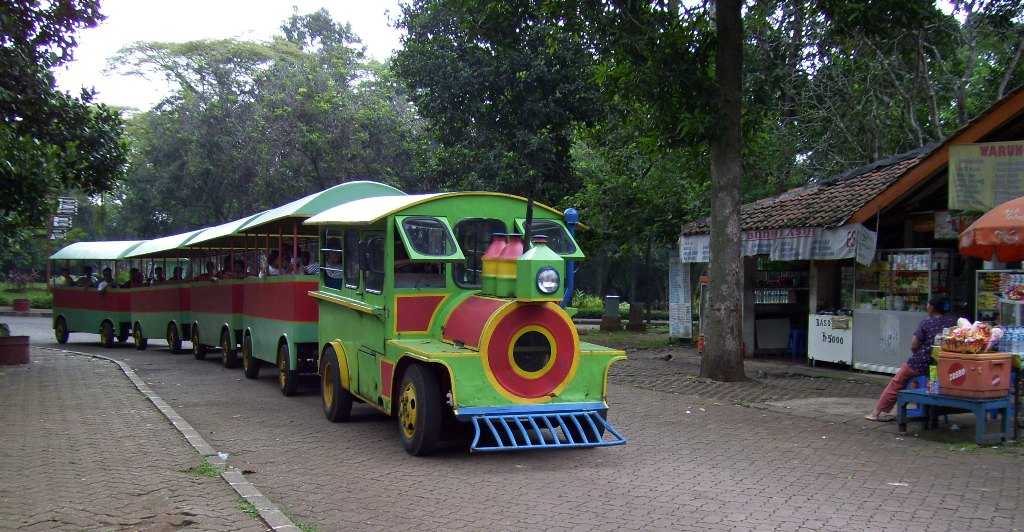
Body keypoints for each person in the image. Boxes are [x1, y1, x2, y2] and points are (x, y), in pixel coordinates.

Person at [866, 296, 959, 421]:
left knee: (898, 381)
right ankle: (923, 408)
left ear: (931, 307)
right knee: (919, 381)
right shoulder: (952, 322)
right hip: (944, 363)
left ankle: (876, 413)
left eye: (927, 305)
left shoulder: (927, 322)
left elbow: (914, 345)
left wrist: (918, 353)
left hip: (922, 362)